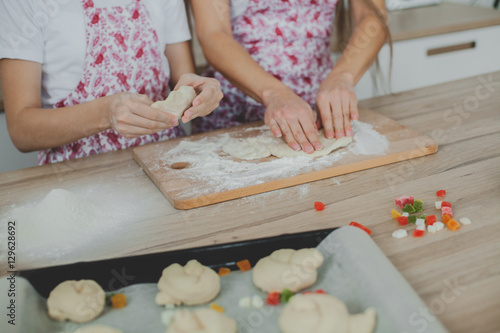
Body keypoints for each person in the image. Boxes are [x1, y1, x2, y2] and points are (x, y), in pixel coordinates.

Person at [0, 0, 223, 165]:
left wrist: (201, 90)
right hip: (76, 176)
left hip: (167, 163)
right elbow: (21, 130)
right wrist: (106, 114)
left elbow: (185, 79)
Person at [190, 0, 390, 154]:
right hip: (233, 117)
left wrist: (342, 75)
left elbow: (372, 16)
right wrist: (274, 92)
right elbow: (213, 33)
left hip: (319, 114)